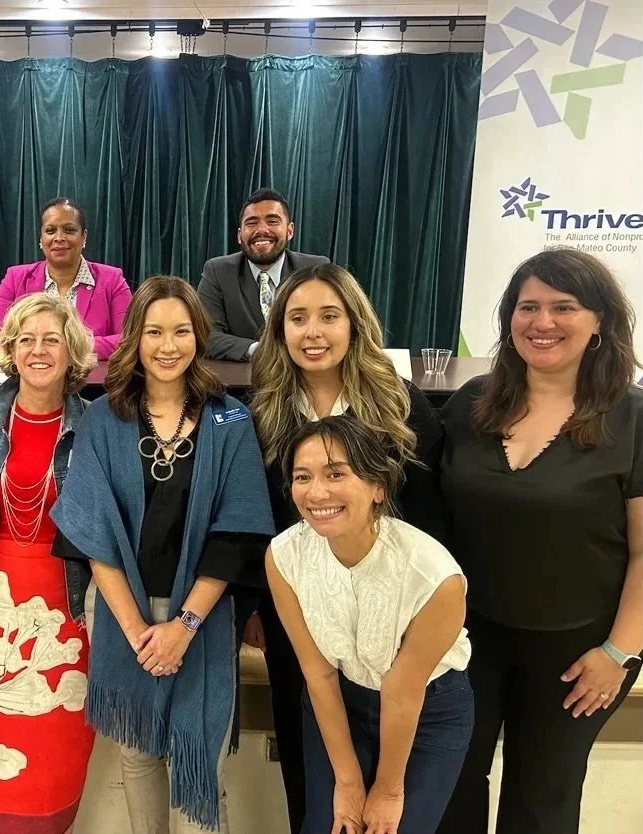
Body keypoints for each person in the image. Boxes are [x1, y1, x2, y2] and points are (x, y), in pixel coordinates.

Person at [51, 276, 275, 833]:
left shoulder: (230, 420)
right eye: (154, 331)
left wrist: (184, 626)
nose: (167, 345)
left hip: (200, 615)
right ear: (134, 338)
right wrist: (134, 630)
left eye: (180, 331)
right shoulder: (104, 418)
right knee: (139, 754)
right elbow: (93, 533)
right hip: (123, 610)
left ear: (200, 337)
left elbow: (236, 536)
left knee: (198, 756)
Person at [436, 249, 643, 834]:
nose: (542, 322)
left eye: (563, 307)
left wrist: (618, 653)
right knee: (449, 786)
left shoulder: (632, 418)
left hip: (579, 653)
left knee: (542, 799)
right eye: (528, 307)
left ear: (600, 320)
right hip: (466, 640)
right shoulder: (470, 406)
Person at [244, 262, 446, 833]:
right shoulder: (262, 412)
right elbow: (254, 519)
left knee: (389, 781)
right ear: (279, 331)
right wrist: (259, 608)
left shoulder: (398, 404)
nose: (314, 333)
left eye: (329, 317)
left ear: (355, 323)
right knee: (311, 775)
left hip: (392, 618)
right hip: (301, 619)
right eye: (298, 318)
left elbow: (431, 516)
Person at [266, 415, 473, 834]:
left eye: (336, 474)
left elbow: (403, 691)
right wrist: (347, 782)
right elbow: (318, 673)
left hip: (427, 711)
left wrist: (387, 791)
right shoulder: (284, 556)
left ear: (378, 487)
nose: (316, 492)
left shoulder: (435, 577)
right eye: (302, 477)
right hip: (340, 702)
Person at [0, 293, 97, 833]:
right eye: (26, 340)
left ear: (72, 350)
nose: (38, 350)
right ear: (10, 351)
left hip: (68, 612)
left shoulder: (98, 427)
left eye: (52, 339)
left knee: (52, 757)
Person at [0, 197, 133, 360]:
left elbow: (129, 340)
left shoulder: (112, 280)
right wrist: (32, 348)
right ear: (41, 239)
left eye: (69, 230)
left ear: (84, 237)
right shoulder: (16, 278)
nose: (59, 237)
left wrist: (69, 345)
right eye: (50, 231)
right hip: (30, 379)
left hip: (90, 382)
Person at [198, 187, 329, 362]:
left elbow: (332, 324)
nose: (262, 229)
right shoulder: (217, 271)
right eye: (251, 223)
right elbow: (206, 335)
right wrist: (260, 350)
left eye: (273, 221)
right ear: (239, 235)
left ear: (290, 230)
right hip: (240, 385)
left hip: (304, 379)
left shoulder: (315, 269)